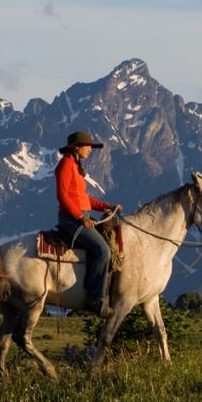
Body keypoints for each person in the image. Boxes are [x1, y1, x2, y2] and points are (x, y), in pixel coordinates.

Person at [55, 131, 121, 313]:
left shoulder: (75, 167)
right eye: (88, 146)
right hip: (71, 219)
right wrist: (80, 217)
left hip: (80, 216)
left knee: (107, 243)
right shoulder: (66, 165)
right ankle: (95, 299)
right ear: (77, 147)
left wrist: (107, 206)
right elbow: (62, 196)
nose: (90, 149)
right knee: (103, 251)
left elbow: (84, 199)